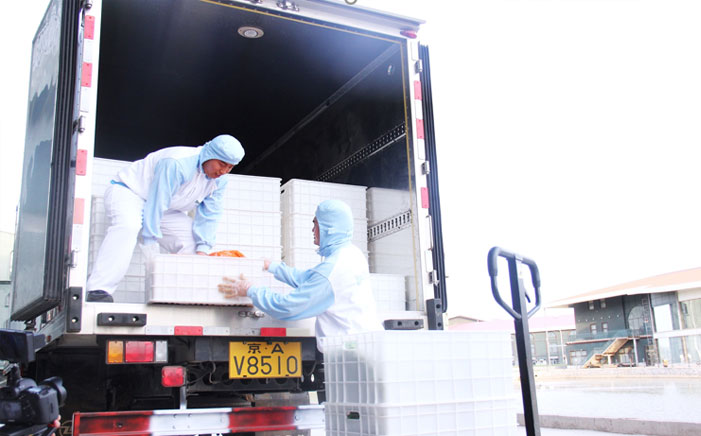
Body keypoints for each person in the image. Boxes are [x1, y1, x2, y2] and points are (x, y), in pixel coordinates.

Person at [86, 134, 245, 302]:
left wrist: (202, 250)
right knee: (128, 226)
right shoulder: (177, 163)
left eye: (230, 167)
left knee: (193, 243)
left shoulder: (220, 180)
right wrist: (149, 239)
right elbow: (157, 201)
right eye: (222, 164)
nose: (224, 171)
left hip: (166, 208)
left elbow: (211, 213)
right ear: (210, 154)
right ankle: (99, 290)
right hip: (130, 192)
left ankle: (182, 296)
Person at [218, 199, 379, 352]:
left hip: (350, 352)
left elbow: (287, 308)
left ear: (328, 228)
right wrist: (272, 266)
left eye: (315, 224)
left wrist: (250, 290)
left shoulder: (331, 271)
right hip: (365, 344)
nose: (312, 230)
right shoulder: (351, 254)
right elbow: (309, 279)